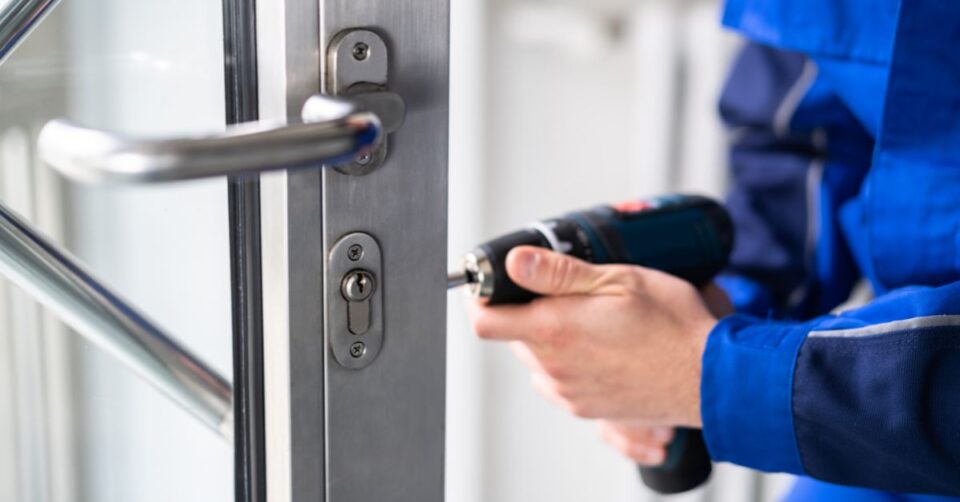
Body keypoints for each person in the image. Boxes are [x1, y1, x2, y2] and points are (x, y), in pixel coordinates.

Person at [467, 0, 960, 499]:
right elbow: (804, 135)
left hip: (908, 410)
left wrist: (709, 374)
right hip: (875, 427)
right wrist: (714, 307)